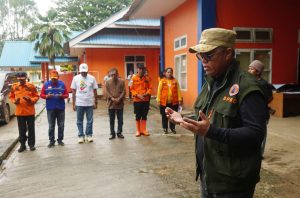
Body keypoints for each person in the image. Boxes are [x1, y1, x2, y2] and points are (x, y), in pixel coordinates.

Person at [165, 28, 268, 197]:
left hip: (232, 184)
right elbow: (209, 118)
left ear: (228, 53)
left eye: (209, 55)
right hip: (209, 174)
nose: (203, 61)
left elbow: (256, 134)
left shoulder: (247, 87)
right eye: (200, 56)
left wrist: (211, 132)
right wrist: (183, 119)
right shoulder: (210, 83)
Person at [9, 72, 39, 152]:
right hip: (20, 112)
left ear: (26, 78)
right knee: (21, 130)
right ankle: (22, 145)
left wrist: (30, 99)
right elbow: (11, 96)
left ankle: (31, 145)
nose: (21, 81)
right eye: (19, 79)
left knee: (31, 129)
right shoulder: (14, 86)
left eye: (22, 79)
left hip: (30, 112)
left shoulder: (31, 86)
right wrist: (15, 101)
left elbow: (36, 96)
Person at [248, 60, 273, 156]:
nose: (249, 70)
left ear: (258, 71)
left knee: (261, 133)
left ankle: (259, 153)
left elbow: (270, 98)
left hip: (261, 113)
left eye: (252, 69)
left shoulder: (264, 84)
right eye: (249, 68)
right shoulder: (248, 81)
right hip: (250, 111)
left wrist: (260, 104)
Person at [40, 70, 69, 148]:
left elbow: (67, 95)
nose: (54, 80)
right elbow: (41, 95)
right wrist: (47, 96)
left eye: (55, 78)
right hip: (50, 108)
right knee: (51, 125)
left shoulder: (62, 84)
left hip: (60, 108)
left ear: (58, 77)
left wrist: (62, 96)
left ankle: (60, 140)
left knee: (61, 125)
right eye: (52, 78)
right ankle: (51, 141)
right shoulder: (46, 85)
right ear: (50, 77)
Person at [71, 63, 98, 143]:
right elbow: (73, 91)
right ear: (79, 71)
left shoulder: (92, 78)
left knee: (90, 120)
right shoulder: (75, 78)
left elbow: (95, 90)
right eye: (82, 72)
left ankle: (89, 135)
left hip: (89, 103)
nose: (84, 73)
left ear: (87, 71)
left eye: (85, 72)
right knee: (79, 120)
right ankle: (80, 136)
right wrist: (73, 104)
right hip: (79, 103)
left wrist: (95, 102)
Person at [156, 67, 182, 134]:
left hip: (174, 102)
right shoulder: (162, 81)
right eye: (168, 72)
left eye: (170, 72)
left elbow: (178, 90)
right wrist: (158, 100)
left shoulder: (175, 81)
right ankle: (165, 128)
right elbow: (159, 91)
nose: (169, 73)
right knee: (164, 116)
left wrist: (180, 99)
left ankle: (172, 128)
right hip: (164, 102)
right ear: (165, 73)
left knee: (173, 116)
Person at [130, 65, 152, 137]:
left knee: (144, 115)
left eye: (143, 69)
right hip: (137, 100)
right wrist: (137, 95)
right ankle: (138, 131)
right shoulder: (133, 78)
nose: (141, 70)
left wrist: (147, 94)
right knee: (138, 115)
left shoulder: (147, 79)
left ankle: (144, 130)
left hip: (145, 100)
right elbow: (131, 89)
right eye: (140, 69)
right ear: (137, 69)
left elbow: (150, 88)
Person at [105, 68, 126, 140]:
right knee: (111, 120)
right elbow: (106, 92)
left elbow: (124, 91)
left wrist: (119, 98)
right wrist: (112, 98)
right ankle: (112, 133)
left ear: (118, 74)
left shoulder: (122, 81)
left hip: (120, 104)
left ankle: (119, 132)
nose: (114, 76)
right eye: (112, 74)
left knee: (120, 119)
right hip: (111, 104)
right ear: (110, 75)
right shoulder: (107, 82)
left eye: (115, 74)